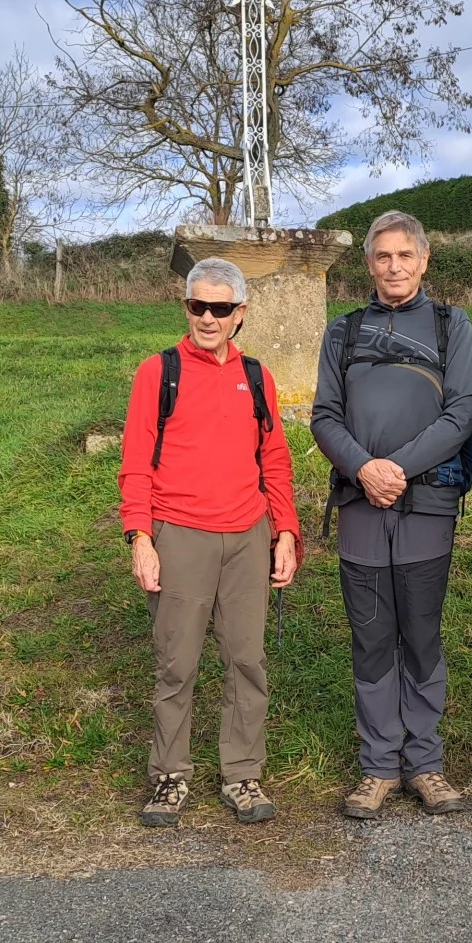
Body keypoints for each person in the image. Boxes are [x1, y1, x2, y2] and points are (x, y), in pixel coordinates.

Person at [119, 258, 301, 829]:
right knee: (177, 665)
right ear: (186, 308)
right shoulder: (159, 372)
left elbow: (275, 459)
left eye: (220, 308)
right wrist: (141, 538)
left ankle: (242, 773)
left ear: (239, 314)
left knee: (247, 660)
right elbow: (134, 464)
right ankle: (169, 776)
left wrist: (287, 531)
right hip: (180, 535)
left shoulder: (259, 376)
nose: (207, 317)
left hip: (247, 536)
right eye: (198, 305)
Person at [310, 210, 472, 821]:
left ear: (424, 259)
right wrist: (365, 469)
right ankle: (380, 766)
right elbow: (323, 416)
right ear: (369, 264)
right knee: (373, 636)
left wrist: (398, 469)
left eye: (405, 255)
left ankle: (426, 765)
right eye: (383, 257)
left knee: (422, 635)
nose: (395, 267)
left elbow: (461, 412)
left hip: (427, 504)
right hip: (360, 504)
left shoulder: (449, 324)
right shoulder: (343, 331)